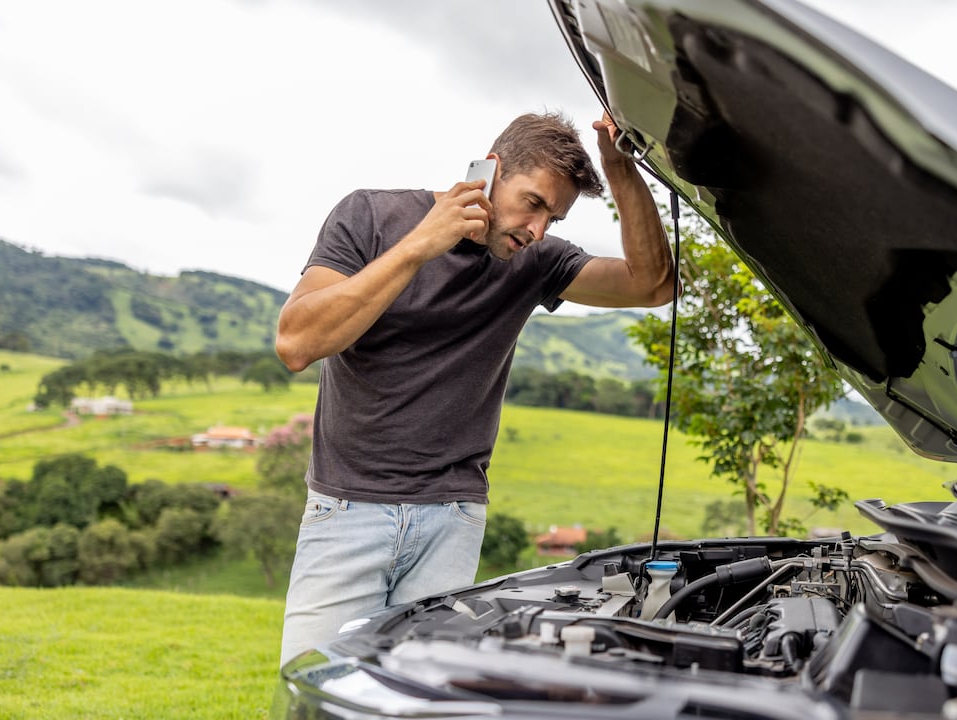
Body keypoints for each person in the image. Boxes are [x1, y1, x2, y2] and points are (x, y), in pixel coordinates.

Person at [274, 111, 674, 665]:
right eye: (533, 203)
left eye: (553, 218)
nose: (537, 230)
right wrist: (420, 245)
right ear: (489, 171)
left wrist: (621, 169)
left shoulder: (534, 261)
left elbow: (652, 285)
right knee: (316, 683)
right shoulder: (370, 215)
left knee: (424, 699)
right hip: (347, 510)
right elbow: (298, 343)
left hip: (453, 518)